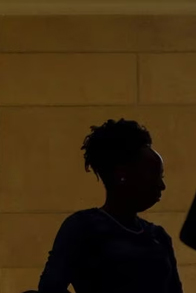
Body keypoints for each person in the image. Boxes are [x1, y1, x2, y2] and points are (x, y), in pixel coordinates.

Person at [38, 119, 182, 293]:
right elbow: (50, 288)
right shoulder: (84, 227)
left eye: (161, 176)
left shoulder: (158, 236)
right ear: (122, 174)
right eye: (153, 174)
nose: (161, 185)